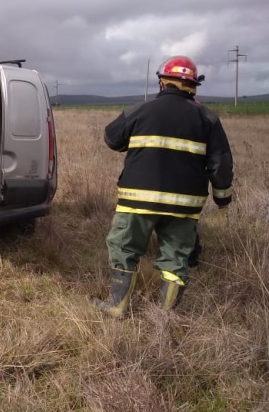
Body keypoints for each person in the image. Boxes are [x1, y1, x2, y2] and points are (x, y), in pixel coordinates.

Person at [93, 55, 233, 317]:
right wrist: (223, 199)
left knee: (124, 248)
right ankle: (164, 316)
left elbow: (111, 138)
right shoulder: (207, 118)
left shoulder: (140, 110)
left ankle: (117, 306)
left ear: (162, 82)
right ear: (192, 86)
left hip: (138, 200)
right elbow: (220, 164)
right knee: (176, 258)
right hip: (185, 204)